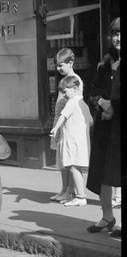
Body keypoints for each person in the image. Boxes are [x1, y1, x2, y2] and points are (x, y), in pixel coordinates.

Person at [86, 17, 121, 235]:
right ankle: (107, 216)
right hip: (105, 126)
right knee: (102, 171)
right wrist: (101, 102)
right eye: (115, 34)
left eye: (121, 33)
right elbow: (93, 89)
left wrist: (114, 105)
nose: (118, 38)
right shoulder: (105, 62)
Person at [49, 75, 93, 207]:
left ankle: (80, 196)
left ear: (74, 88)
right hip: (81, 141)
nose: (64, 94)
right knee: (76, 168)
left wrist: (56, 128)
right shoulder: (83, 103)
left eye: (65, 91)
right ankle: (77, 194)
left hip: (73, 141)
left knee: (74, 168)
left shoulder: (72, 102)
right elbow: (90, 121)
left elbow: (63, 115)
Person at [49, 48, 84, 204]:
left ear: (70, 63)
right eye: (57, 65)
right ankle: (64, 189)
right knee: (62, 159)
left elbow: (74, 104)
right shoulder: (65, 80)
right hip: (60, 121)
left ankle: (70, 191)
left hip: (68, 124)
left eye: (61, 65)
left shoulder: (74, 80)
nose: (58, 69)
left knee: (68, 160)